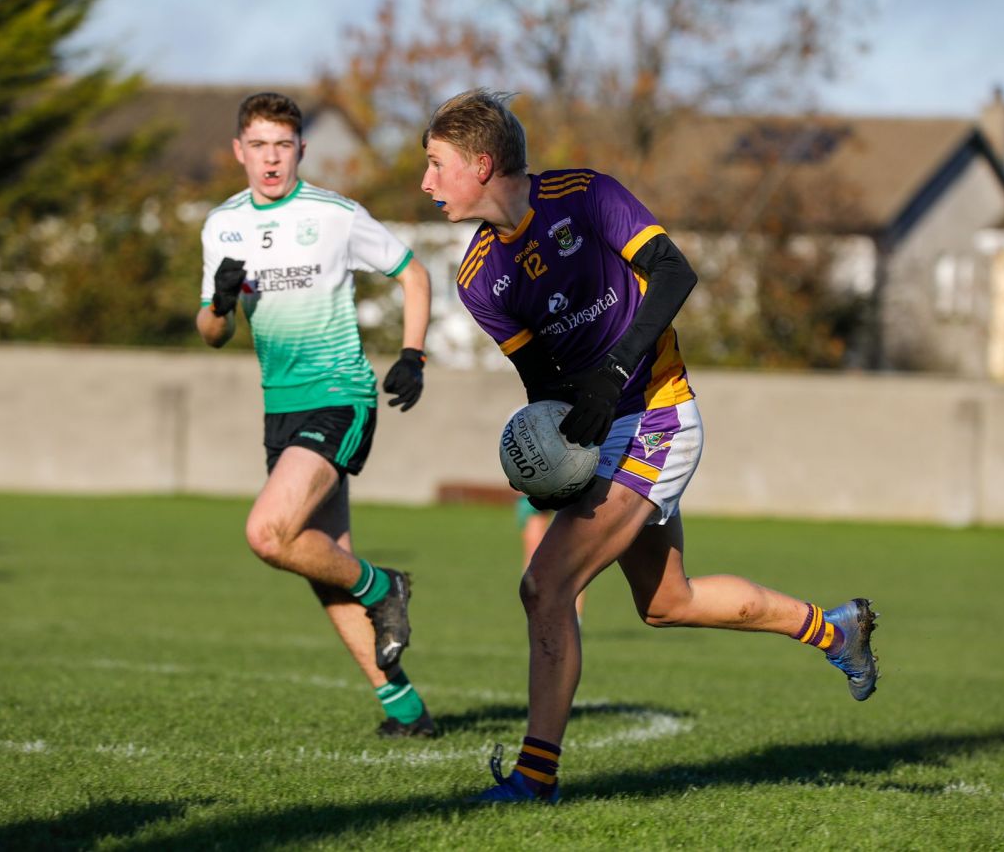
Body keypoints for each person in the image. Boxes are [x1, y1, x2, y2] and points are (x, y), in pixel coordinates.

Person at [420, 89, 879, 802]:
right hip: (606, 433)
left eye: (435, 164)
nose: (426, 182)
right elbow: (541, 383)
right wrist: (548, 463)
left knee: (545, 585)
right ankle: (835, 630)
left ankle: (534, 778)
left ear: (481, 165)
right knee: (668, 602)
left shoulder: (587, 195)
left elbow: (675, 272)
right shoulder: (480, 279)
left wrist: (611, 373)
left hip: (660, 414)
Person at [198, 92, 435, 737]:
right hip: (279, 410)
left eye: (283, 146)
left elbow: (414, 274)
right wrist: (218, 305)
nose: (271, 159)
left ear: (300, 150)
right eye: (259, 146)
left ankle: (384, 587)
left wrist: (413, 354)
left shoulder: (334, 215)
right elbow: (211, 332)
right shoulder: (222, 226)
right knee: (320, 561)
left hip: (339, 398)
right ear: (239, 152)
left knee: (268, 534)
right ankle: (407, 712)